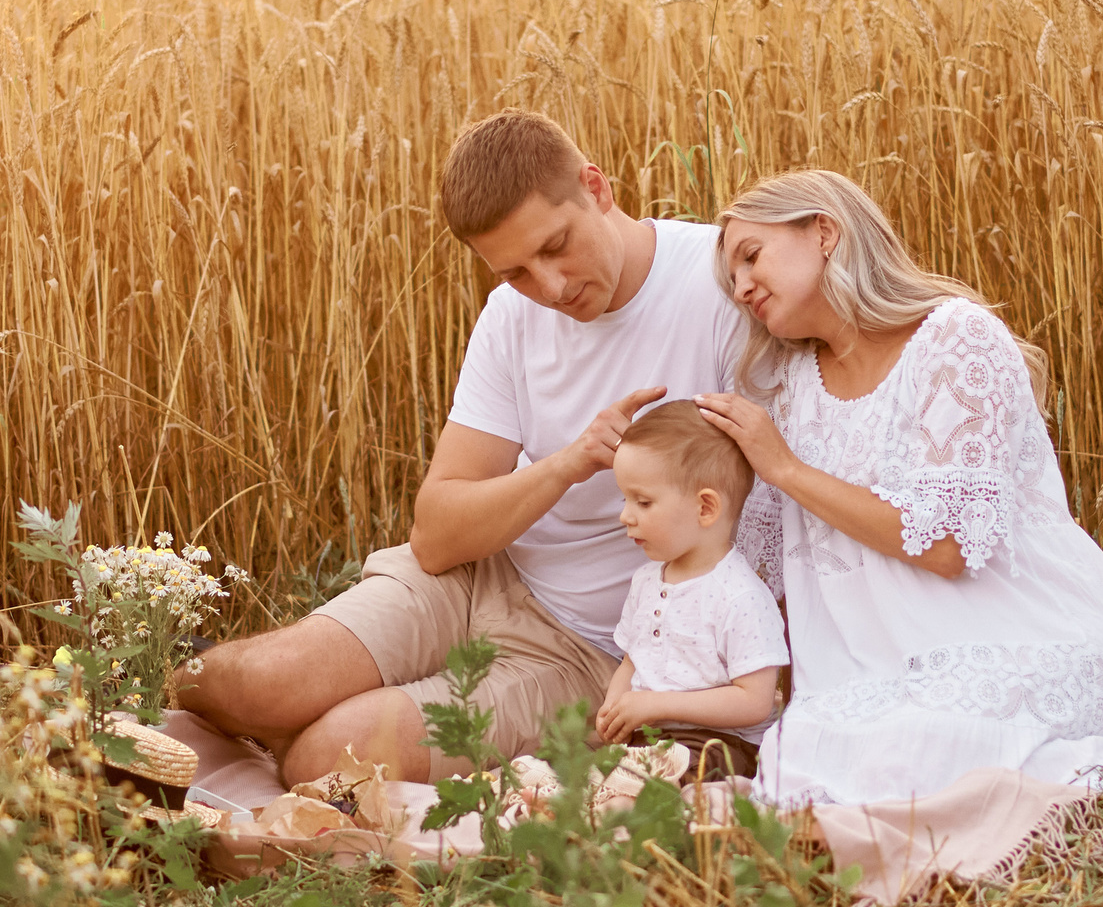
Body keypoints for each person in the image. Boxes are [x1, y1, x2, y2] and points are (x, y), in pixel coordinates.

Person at [179, 111, 747, 783]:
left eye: (557, 245)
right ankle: (129, 704)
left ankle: (295, 730)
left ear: (596, 187)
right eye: (517, 272)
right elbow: (437, 537)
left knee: (327, 757)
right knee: (258, 682)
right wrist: (568, 463)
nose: (553, 287)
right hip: (482, 573)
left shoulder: (722, 290)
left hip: (593, 652)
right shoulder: (512, 316)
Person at [694, 169, 1103, 807]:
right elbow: (765, 581)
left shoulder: (954, 339)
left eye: (751, 256)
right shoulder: (787, 385)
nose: (740, 288)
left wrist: (787, 469)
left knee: (930, 752)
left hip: (1012, 634)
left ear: (823, 232)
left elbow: (949, 547)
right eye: (730, 276)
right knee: (811, 756)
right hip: (865, 672)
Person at [593, 401, 789, 781]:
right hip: (648, 738)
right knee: (582, 778)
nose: (625, 515)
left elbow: (755, 702)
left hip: (716, 744)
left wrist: (654, 705)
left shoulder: (739, 595)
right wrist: (615, 706)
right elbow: (634, 661)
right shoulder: (647, 582)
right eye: (625, 499)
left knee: (643, 788)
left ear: (705, 508)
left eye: (643, 501)